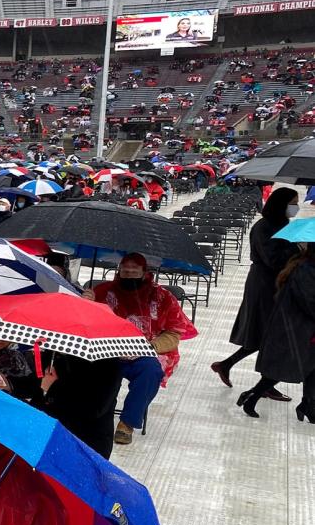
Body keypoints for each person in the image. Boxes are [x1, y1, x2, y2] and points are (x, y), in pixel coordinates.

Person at [86, 254, 197, 445]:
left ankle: (127, 423)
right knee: (82, 367)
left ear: (145, 273)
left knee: (151, 372)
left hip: (143, 351)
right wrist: (86, 302)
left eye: (134, 272)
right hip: (105, 349)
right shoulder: (102, 291)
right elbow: (83, 321)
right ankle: (89, 413)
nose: (129, 275)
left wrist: (148, 347)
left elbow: (173, 334)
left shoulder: (162, 297)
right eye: (125, 271)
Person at [211, 188, 300, 396]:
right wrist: (297, 248)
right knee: (268, 334)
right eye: (293, 202)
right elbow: (273, 259)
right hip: (263, 285)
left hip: (276, 284)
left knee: (265, 334)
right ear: (281, 203)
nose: (295, 207)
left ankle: (229, 367)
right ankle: (264, 383)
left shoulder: (283, 224)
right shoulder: (264, 227)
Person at [235, 244, 315, 420]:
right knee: (284, 370)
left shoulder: (306, 266)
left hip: (301, 328)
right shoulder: (305, 270)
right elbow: (310, 302)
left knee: (310, 368)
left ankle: (308, 405)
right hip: (295, 330)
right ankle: (251, 396)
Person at [34, 352, 124, 459]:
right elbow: (38, 388)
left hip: (89, 442)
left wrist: (53, 388)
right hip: (53, 434)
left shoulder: (109, 364)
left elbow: (95, 408)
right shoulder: (54, 353)